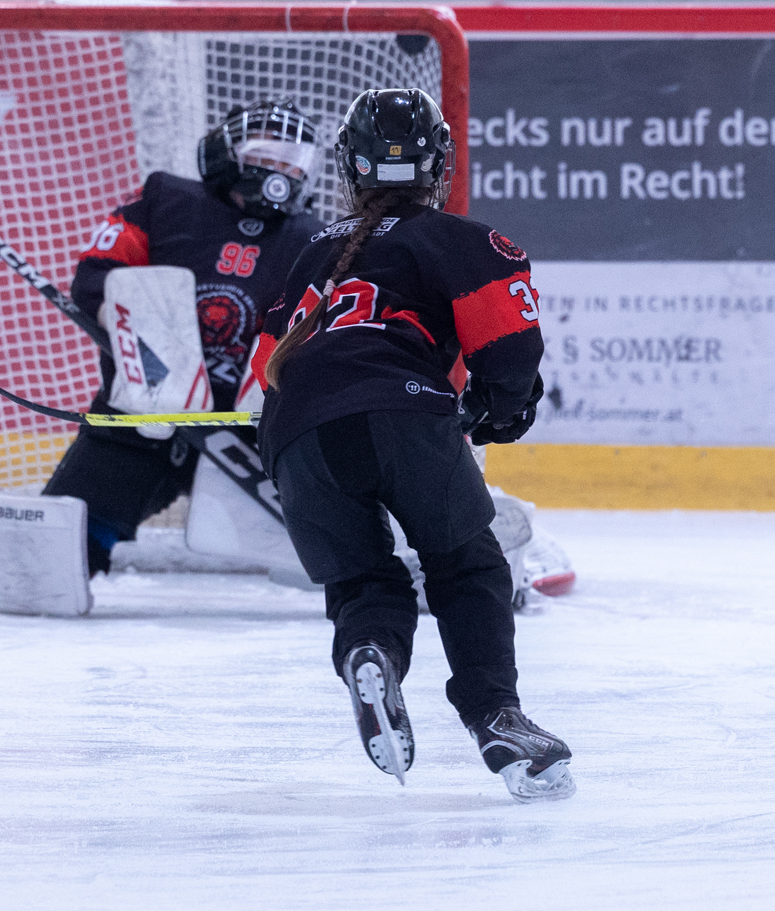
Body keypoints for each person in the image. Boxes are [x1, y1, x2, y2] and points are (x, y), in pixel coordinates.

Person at [250, 88, 575, 801]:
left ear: (351, 167)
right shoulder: (461, 240)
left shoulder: (308, 250)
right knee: (466, 564)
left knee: (364, 581)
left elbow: (265, 367)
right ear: (439, 164)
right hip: (404, 412)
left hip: (297, 430)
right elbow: (510, 346)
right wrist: (499, 408)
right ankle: (496, 714)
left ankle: (372, 649)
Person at [43, 99, 326, 576]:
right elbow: (99, 275)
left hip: (251, 428)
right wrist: (130, 325)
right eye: (266, 155)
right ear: (226, 153)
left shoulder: (316, 239)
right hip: (149, 409)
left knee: (327, 537)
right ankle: (83, 546)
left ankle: (369, 570)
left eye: (293, 162)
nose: (279, 172)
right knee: (64, 546)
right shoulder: (166, 199)